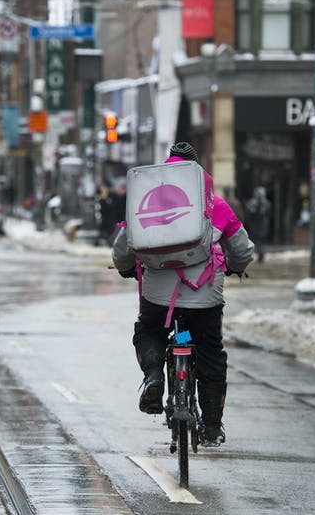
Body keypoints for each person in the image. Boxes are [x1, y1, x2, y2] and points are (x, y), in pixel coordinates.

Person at [112, 142, 254, 447]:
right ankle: (213, 425)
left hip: (158, 296)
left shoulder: (144, 201)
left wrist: (125, 268)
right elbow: (242, 249)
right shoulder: (215, 204)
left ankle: (154, 377)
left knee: (148, 330)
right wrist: (235, 266)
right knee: (211, 354)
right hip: (205, 295)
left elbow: (123, 248)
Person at [245, 186, 272, 263]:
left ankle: (260, 255)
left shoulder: (262, 203)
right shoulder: (265, 203)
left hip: (258, 226)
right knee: (259, 241)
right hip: (261, 226)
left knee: (258, 241)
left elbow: (251, 213)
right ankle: (260, 254)